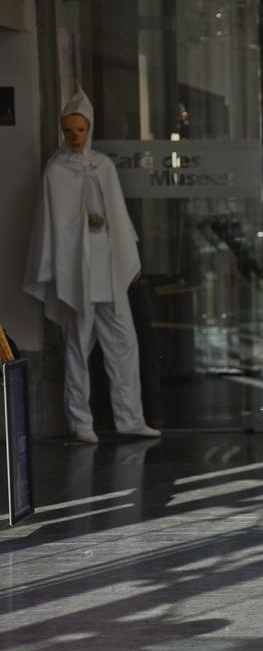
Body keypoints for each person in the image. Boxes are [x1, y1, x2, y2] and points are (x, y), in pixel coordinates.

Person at [24, 87, 160, 443]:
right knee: (77, 347)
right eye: (68, 130)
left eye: (80, 129)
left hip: (107, 268)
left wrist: (119, 244)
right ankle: (80, 422)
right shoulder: (56, 172)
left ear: (90, 129)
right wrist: (83, 225)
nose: (74, 137)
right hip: (77, 272)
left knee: (124, 344)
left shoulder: (104, 165)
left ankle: (130, 417)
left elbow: (118, 213)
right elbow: (52, 226)